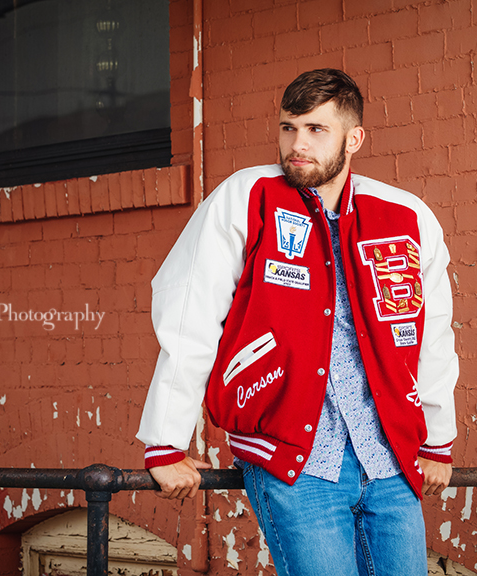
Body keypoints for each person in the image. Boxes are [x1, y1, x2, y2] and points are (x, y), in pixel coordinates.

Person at [136, 68, 458, 576]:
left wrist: (437, 440)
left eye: (316, 129)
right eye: (289, 128)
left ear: (354, 138)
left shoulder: (405, 215)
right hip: (294, 462)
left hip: (390, 460)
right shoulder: (247, 195)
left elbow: (431, 332)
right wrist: (165, 441)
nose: (297, 144)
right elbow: (188, 311)